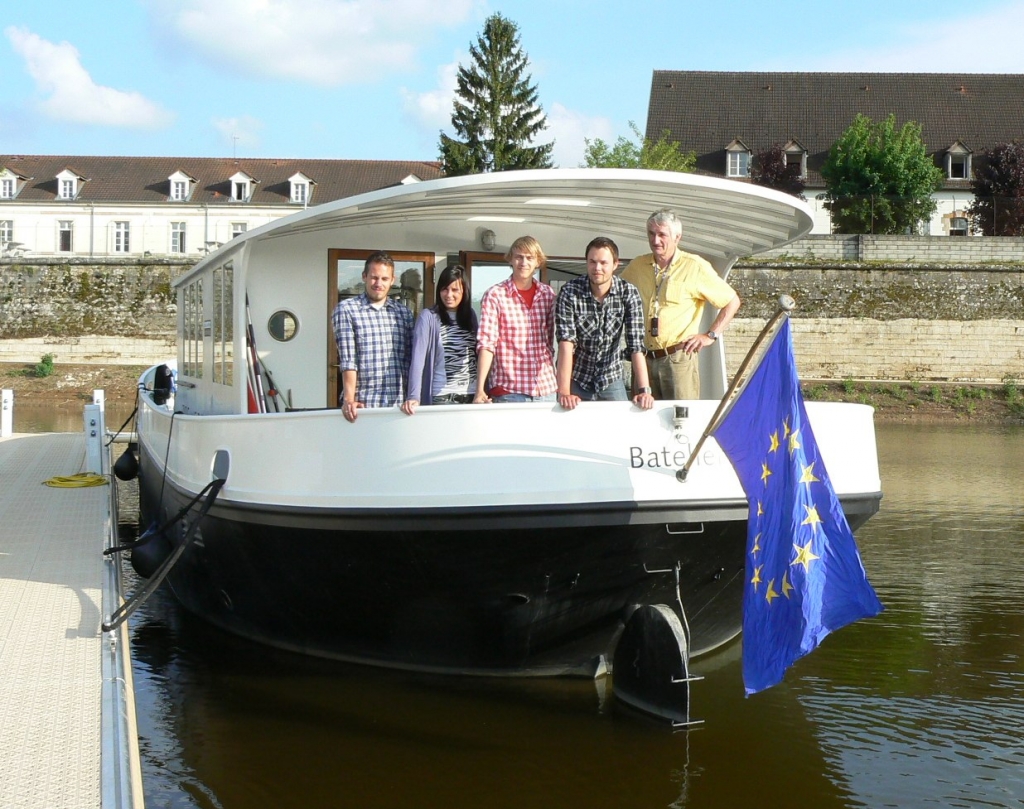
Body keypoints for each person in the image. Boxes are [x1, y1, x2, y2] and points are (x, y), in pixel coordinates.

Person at [621, 209, 741, 399]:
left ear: (677, 237)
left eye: (662, 235)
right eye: (651, 234)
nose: (655, 240)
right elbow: (614, 295)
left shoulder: (695, 266)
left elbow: (732, 301)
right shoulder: (637, 266)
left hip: (678, 359)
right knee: (643, 421)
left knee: (681, 418)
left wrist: (710, 335)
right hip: (643, 358)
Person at [554, 237, 654, 411]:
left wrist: (645, 390)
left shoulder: (628, 293)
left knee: (621, 429)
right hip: (578, 378)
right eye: (592, 262)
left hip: (611, 378)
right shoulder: (570, 291)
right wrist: (564, 392)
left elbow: (636, 345)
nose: (597, 268)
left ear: (615, 264)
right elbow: (566, 342)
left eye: (603, 262)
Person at [331, 251, 413, 422]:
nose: (379, 283)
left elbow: (409, 359)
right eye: (374, 278)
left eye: (384, 279)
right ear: (364, 277)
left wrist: (412, 397)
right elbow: (348, 360)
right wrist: (349, 400)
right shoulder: (347, 310)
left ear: (392, 280)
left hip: (398, 406)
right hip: (363, 407)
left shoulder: (403, 313)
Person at [474, 235, 557, 403]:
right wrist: (480, 389)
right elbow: (487, 344)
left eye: (529, 258)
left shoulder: (548, 295)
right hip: (509, 390)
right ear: (510, 259)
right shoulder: (496, 295)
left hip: (545, 389)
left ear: (538, 262)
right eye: (519, 257)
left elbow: (552, 340)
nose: (523, 262)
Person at [401, 265, 479, 415]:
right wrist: (413, 396)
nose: (449, 295)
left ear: (464, 291)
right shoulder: (429, 316)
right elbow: (418, 359)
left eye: (455, 290)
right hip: (443, 398)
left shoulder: (470, 316)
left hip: (471, 397)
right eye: (445, 289)